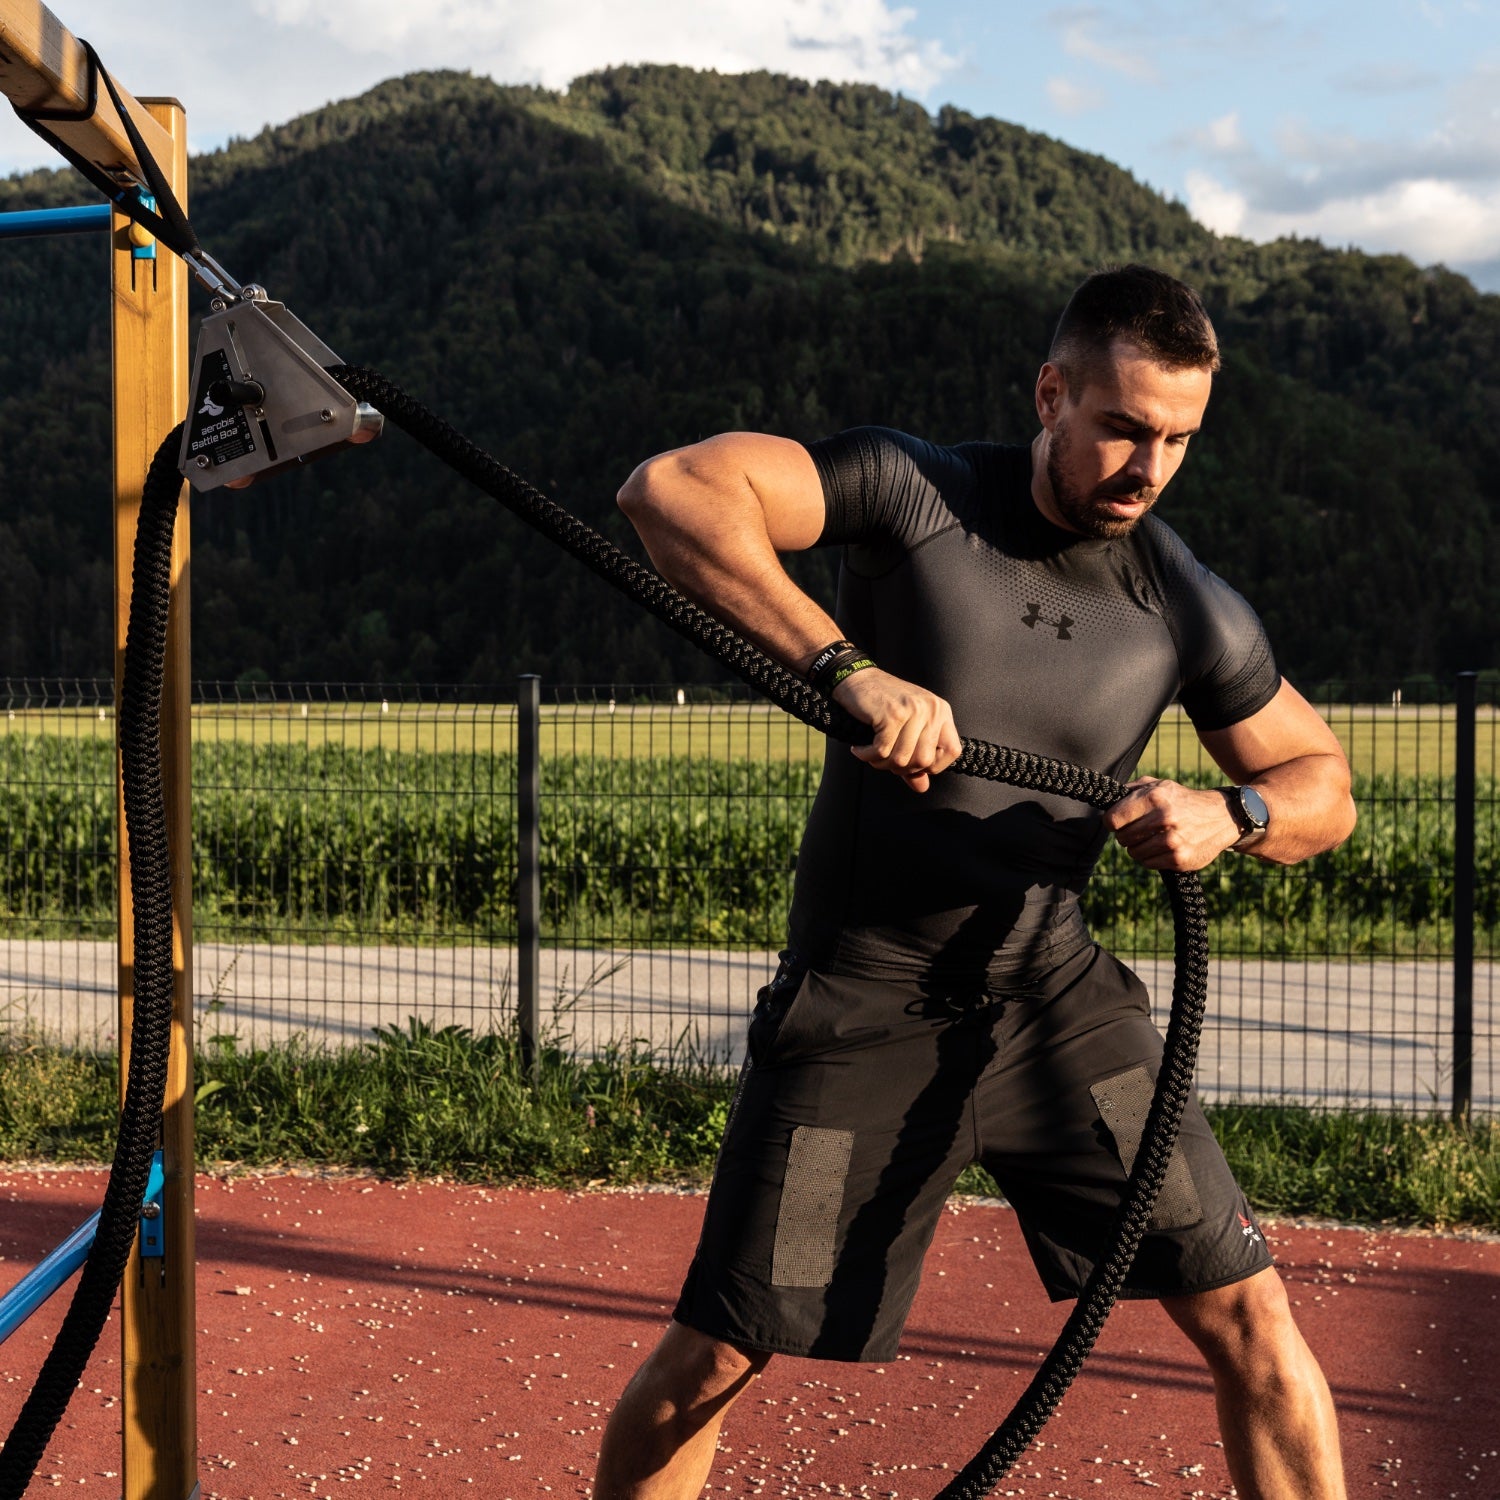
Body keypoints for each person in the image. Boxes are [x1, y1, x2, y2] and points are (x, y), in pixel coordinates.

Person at [596, 264, 1355, 1500]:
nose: (1146, 465)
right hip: (863, 1012)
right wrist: (845, 669)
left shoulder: (1178, 597)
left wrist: (1238, 811)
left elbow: (1324, 781)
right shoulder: (916, 493)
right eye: (1120, 425)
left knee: (1252, 1322)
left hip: (1061, 1012)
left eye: (1177, 439)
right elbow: (672, 490)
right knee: (719, 1358)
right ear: (1052, 393)